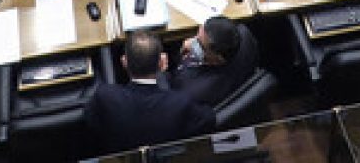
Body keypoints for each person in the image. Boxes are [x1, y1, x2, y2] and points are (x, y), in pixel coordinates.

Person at [82, 31, 215, 156]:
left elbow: (90, 120)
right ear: (162, 63)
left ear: (124, 62)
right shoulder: (179, 103)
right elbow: (209, 118)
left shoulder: (106, 96)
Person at [170, 17, 260, 107]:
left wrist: (181, 54)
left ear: (218, 59)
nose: (191, 43)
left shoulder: (192, 91)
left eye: (199, 44)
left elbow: (173, 96)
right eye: (197, 35)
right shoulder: (245, 34)